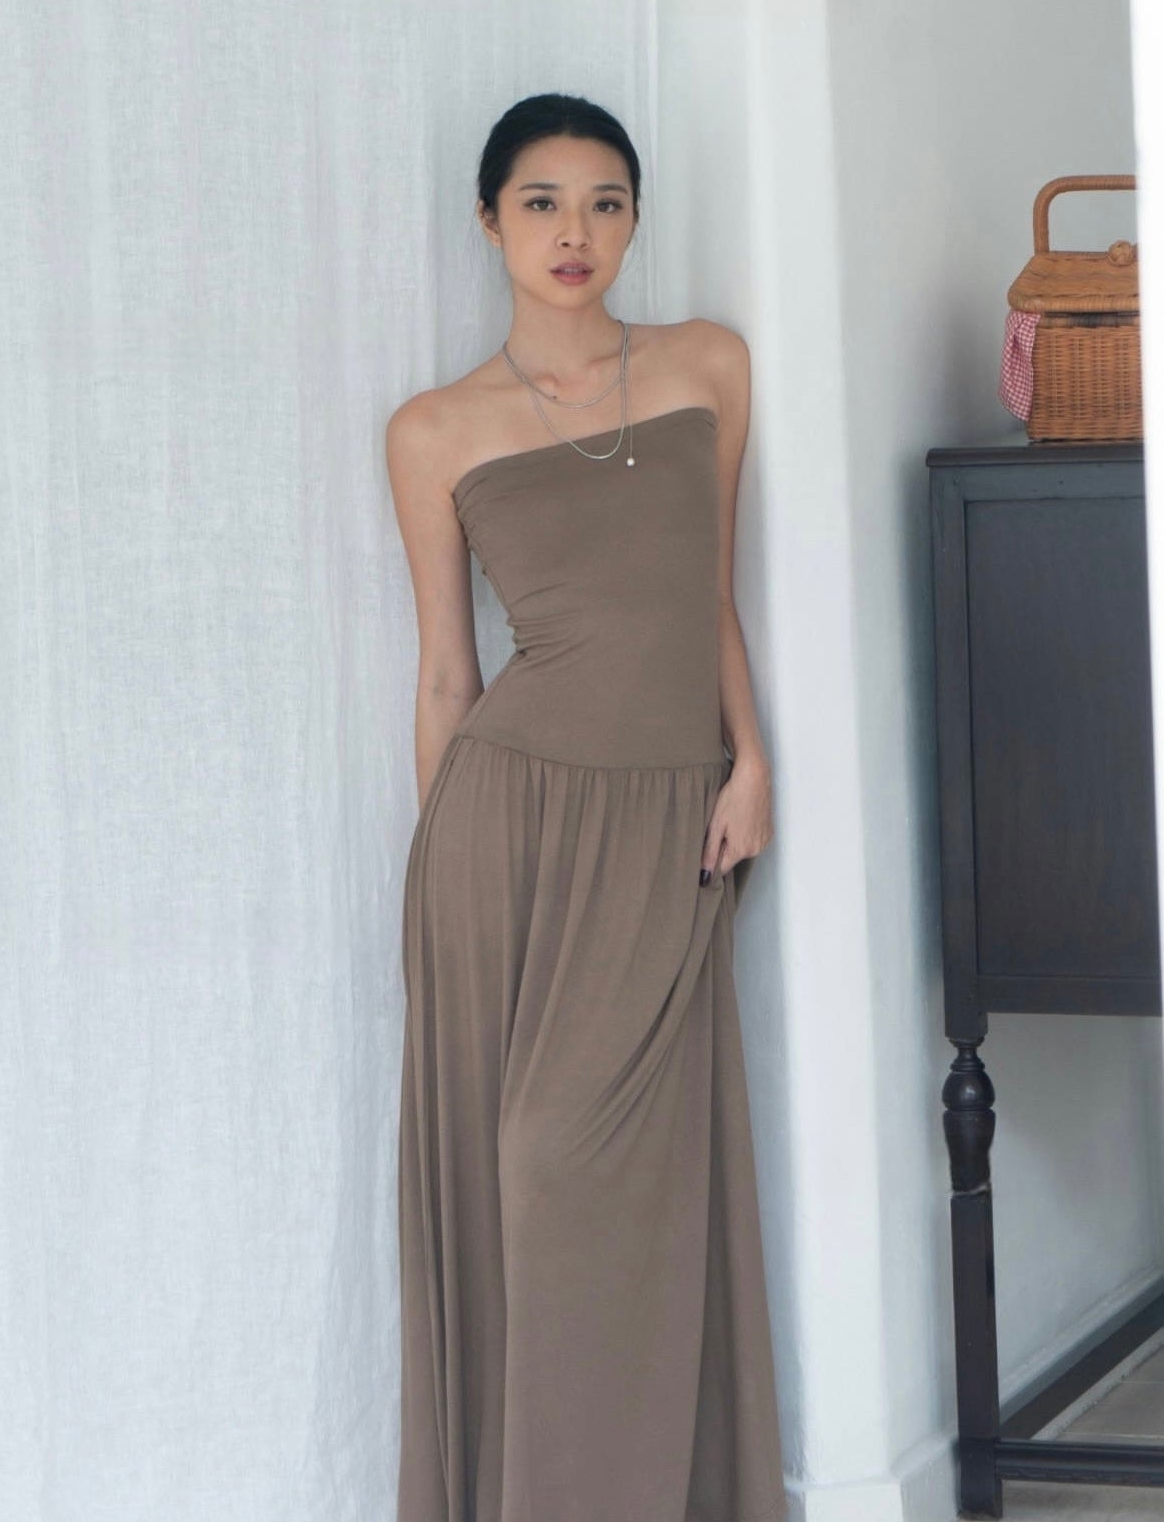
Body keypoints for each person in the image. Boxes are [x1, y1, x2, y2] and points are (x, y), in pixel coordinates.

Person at [385, 92, 787, 1521]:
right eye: (543, 202)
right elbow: (449, 672)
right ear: (488, 220)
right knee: (523, 1179)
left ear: (634, 221)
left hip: (666, 820)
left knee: (598, 1173)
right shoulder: (435, 428)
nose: (576, 231)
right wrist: (443, 881)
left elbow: (707, 594)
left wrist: (752, 759)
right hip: (505, 835)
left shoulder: (705, 366)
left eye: (606, 202)